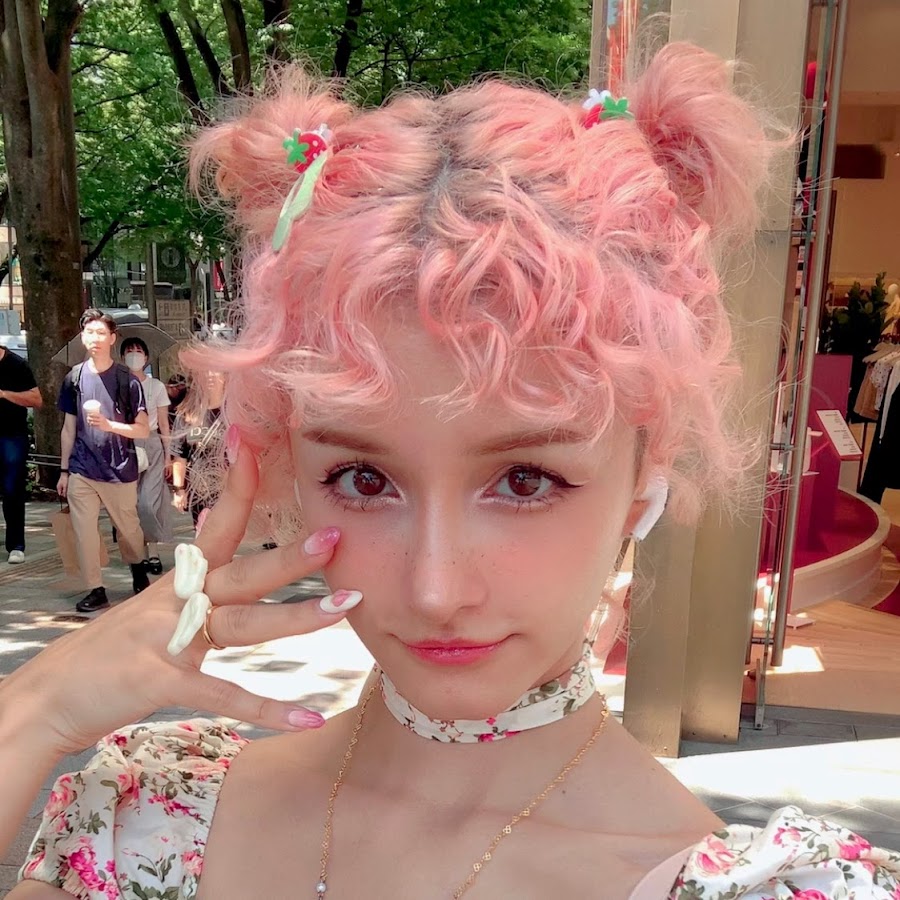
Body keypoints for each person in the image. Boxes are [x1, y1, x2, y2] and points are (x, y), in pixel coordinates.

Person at [1, 43, 899, 900]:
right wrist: (31, 713)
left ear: (645, 469)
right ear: (283, 462)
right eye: (363, 479)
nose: (435, 590)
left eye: (525, 480)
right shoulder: (150, 821)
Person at [56, 309, 151, 613]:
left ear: (112, 338)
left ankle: (137, 567)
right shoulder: (74, 378)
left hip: (119, 469)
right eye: (89, 332)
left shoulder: (127, 381)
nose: (94, 338)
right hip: (82, 468)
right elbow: (69, 428)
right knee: (84, 532)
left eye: (101, 333)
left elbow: (143, 429)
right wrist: (64, 470)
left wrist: (110, 426)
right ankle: (95, 589)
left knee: (129, 531)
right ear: (82, 337)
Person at [121, 337, 173, 574]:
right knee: (130, 503)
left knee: (148, 503)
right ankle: (139, 553)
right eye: (129, 351)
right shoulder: (118, 385)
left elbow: (164, 423)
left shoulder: (156, 387)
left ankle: (153, 550)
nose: (134, 355)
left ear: (146, 357)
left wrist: (169, 455)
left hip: (151, 444)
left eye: (138, 350)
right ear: (122, 357)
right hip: (126, 443)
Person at [0, 344, 42, 563]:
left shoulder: (16, 364)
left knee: (12, 489)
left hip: (11, 436)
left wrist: (4, 394)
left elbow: (36, 399)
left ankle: (16, 545)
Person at [172, 370, 225, 531]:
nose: (210, 375)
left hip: (228, 490)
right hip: (200, 492)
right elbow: (180, 456)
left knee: (224, 535)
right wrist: (179, 489)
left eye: (215, 370)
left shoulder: (234, 412)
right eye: (204, 371)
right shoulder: (187, 414)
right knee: (203, 534)